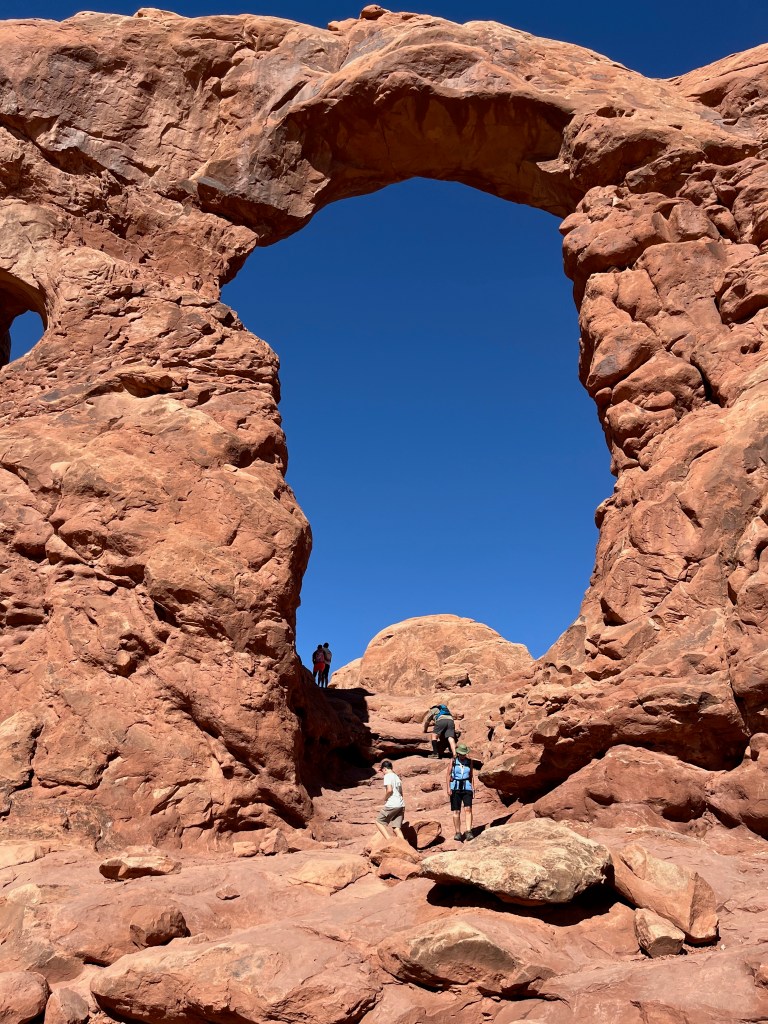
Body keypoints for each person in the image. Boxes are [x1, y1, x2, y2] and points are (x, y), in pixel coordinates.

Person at [446, 742, 474, 842]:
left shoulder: (469, 761)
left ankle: (468, 831)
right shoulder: (453, 761)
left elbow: (471, 775)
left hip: (466, 787)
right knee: (456, 811)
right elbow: (448, 775)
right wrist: (448, 788)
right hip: (455, 788)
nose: (463, 756)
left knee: (468, 809)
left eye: (464, 754)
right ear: (458, 753)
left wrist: (473, 788)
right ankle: (458, 832)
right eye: (461, 754)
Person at [375, 759, 406, 841]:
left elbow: (389, 790)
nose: (383, 773)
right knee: (396, 828)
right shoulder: (396, 777)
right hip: (400, 804)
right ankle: (404, 846)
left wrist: (385, 798)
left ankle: (389, 841)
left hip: (392, 804)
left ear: (385, 768)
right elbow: (401, 792)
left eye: (382, 771)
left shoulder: (388, 776)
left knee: (378, 822)